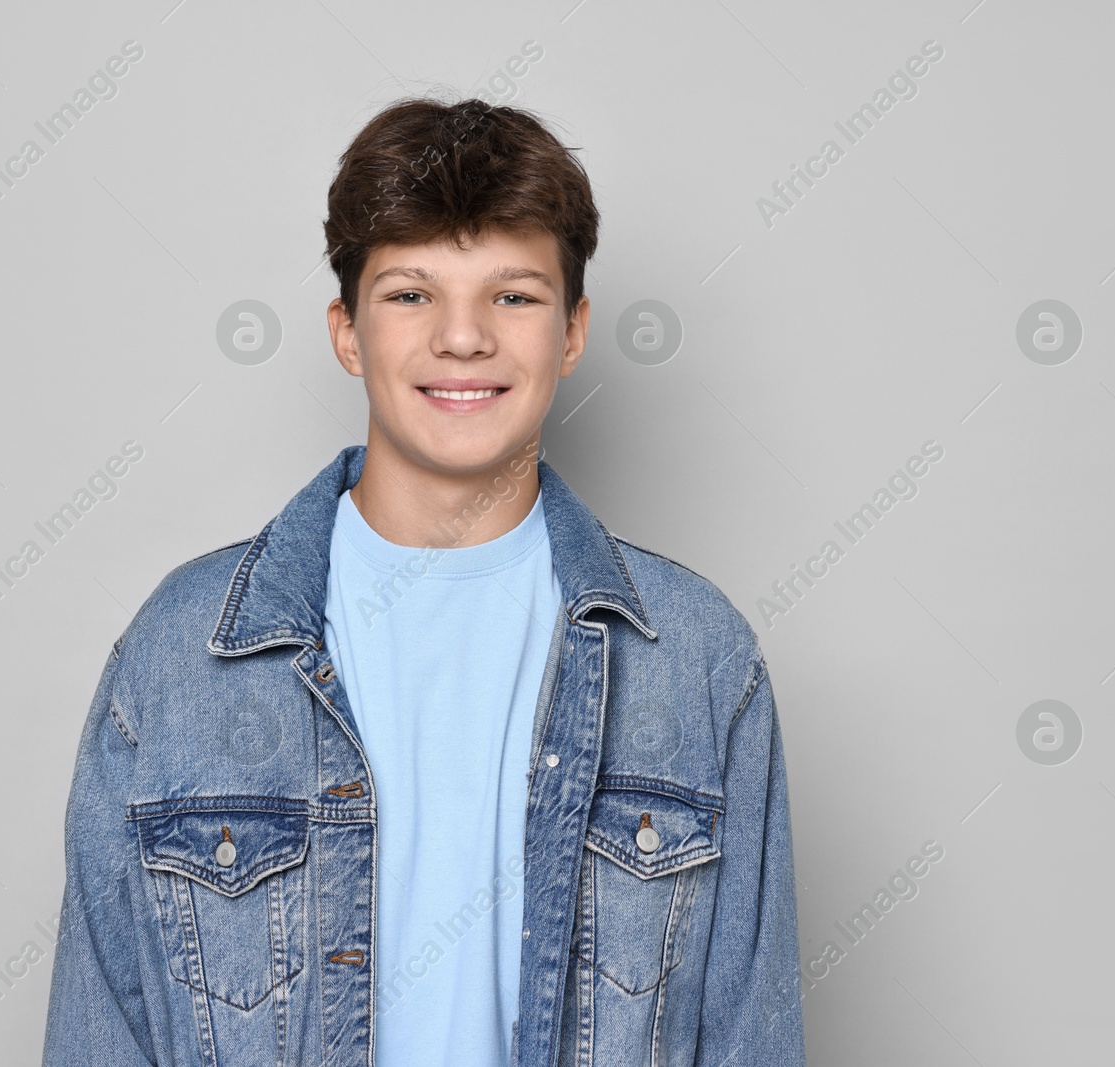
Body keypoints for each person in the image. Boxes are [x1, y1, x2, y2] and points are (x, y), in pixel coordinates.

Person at [42, 96, 805, 1067]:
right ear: (347, 331)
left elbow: (753, 1040)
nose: (462, 337)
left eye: (512, 295)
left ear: (571, 332)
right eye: (410, 293)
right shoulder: (181, 652)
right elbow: (97, 1035)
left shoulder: (696, 660)